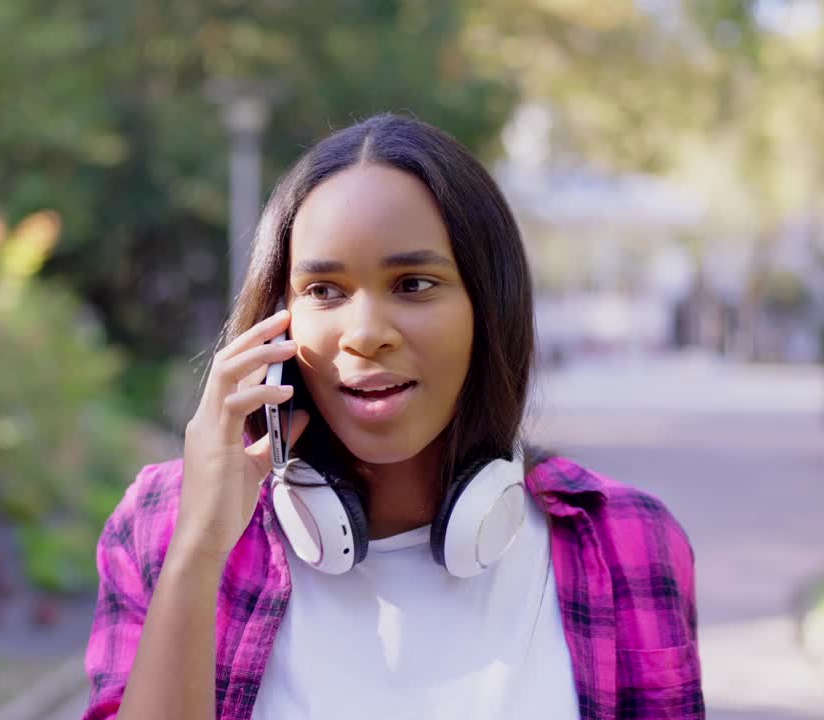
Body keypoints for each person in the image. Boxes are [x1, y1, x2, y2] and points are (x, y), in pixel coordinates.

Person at [81, 114, 702, 720]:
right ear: (276, 322)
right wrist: (197, 550)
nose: (366, 334)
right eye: (324, 291)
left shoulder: (626, 541)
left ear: (489, 307)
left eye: (413, 284)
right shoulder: (161, 526)